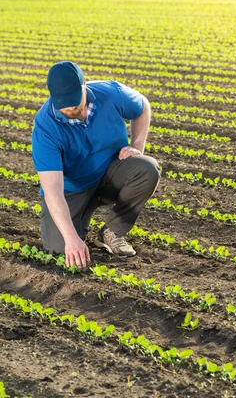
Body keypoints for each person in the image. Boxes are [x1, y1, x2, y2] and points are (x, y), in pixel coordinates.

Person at [31, 61, 160, 270]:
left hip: (111, 173)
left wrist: (137, 147)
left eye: (74, 100)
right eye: (63, 103)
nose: (70, 107)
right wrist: (72, 238)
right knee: (60, 248)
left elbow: (143, 106)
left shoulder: (110, 93)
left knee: (146, 168)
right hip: (73, 189)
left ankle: (112, 231)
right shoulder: (45, 128)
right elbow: (52, 190)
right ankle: (81, 216)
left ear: (84, 85)